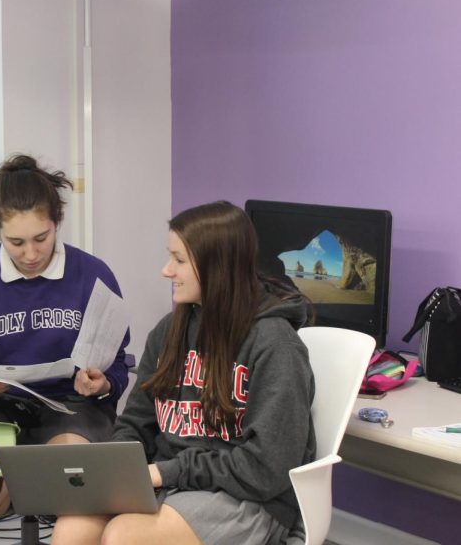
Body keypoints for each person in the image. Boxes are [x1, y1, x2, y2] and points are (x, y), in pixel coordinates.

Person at [52, 201, 316, 545]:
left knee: (123, 537)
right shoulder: (170, 330)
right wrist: (115, 471)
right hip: (172, 480)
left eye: (178, 260)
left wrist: (165, 472)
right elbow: (137, 422)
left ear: (216, 266)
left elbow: (267, 468)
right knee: (71, 529)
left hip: (248, 497)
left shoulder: (276, 345)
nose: (166, 270)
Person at [0, 154, 130, 447]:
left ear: (57, 222)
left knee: (66, 466)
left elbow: (118, 363)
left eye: (41, 238)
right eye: (16, 243)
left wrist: (104, 383)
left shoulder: (93, 275)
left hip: (72, 406)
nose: (31, 254)